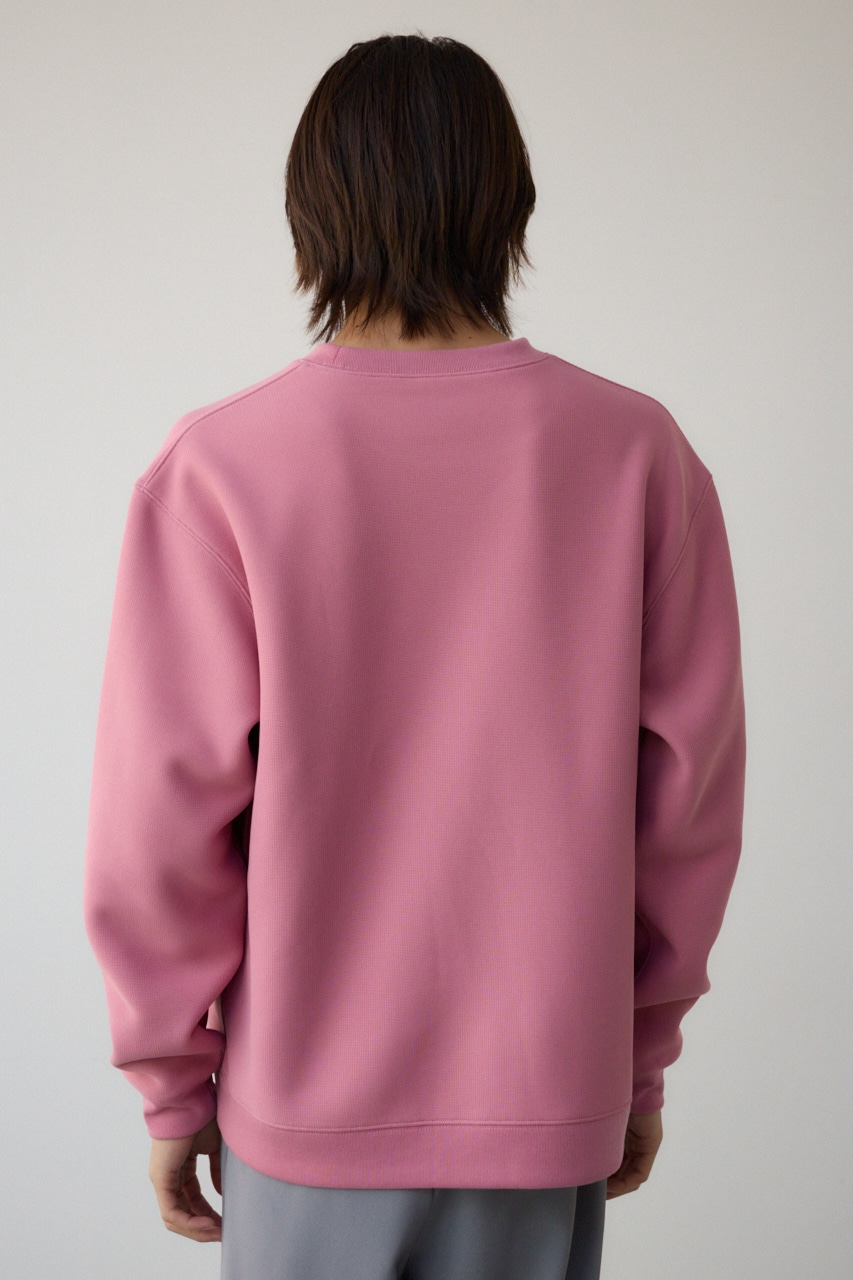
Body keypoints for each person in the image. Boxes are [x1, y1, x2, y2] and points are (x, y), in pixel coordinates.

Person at [83, 31, 746, 1280]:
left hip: (304, 1110)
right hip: (545, 1094)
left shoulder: (222, 467)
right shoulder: (635, 454)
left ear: (312, 207)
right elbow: (688, 809)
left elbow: (157, 822)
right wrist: (638, 1056)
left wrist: (172, 1084)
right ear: (509, 203)